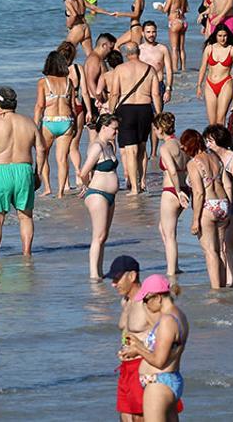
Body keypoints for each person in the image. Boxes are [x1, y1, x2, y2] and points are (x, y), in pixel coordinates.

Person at [0, 87, 44, 257]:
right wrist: (38, 173)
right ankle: (27, 253)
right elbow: (41, 150)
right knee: (25, 216)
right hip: (24, 170)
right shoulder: (29, 123)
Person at [118, 274, 188, 422]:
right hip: (169, 380)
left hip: (158, 385)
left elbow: (159, 361)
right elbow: (166, 351)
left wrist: (138, 349)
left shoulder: (167, 321)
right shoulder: (179, 315)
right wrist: (140, 344)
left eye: (146, 300)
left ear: (158, 298)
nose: (145, 305)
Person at [111, 44, 162, 194]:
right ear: (139, 52)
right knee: (142, 147)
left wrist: (111, 110)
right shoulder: (150, 69)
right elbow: (156, 95)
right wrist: (158, 114)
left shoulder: (120, 69)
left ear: (126, 54)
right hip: (145, 109)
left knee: (131, 150)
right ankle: (143, 181)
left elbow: (115, 93)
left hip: (126, 110)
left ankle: (134, 188)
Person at [183, 128, 227, 288]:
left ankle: (216, 291)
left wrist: (195, 220)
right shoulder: (214, 157)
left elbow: (199, 193)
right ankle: (223, 286)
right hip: (223, 203)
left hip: (208, 206)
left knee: (210, 251)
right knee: (221, 250)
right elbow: (225, 181)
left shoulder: (194, 163)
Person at [80, 114, 121, 280]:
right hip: (98, 194)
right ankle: (93, 274)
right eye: (114, 129)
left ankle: (100, 270)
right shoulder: (96, 146)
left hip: (109, 195)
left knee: (104, 235)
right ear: (104, 127)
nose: (116, 132)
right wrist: (86, 185)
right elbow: (83, 172)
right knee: (98, 235)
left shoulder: (109, 146)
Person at [204, 125, 233, 287]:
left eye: (210, 141)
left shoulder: (232, 158)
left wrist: (221, 184)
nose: (207, 145)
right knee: (221, 245)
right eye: (206, 141)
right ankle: (227, 279)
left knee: (230, 244)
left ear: (219, 141)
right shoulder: (210, 158)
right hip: (222, 203)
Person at [35, 50, 79, 197]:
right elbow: (73, 106)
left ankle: (47, 188)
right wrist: (75, 125)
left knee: (44, 155)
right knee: (62, 159)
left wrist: (36, 125)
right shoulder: (69, 82)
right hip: (66, 121)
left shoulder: (43, 82)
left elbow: (40, 105)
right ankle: (60, 192)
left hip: (49, 122)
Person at [154, 113, 189, 275]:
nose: (154, 132)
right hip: (185, 187)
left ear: (160, 129)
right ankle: (173, 265)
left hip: (172, 191)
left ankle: (172, 271)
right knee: (163, 228)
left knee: (169, 235)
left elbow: (172, 171)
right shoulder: (182, 144)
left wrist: (178, 191)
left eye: (155, 129)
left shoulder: (165, 147)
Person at [196, 24, 233, 126]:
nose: (222, 38)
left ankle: (221, 142)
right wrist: (199, 85)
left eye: (225, 36)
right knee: (212, 121)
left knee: (220, 119)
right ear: (215, 36)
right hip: (210, 84)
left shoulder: (232, 50)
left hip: (226, 83)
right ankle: (213, 141)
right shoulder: (209, 49)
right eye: (220, 36)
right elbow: (203, 67)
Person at [162, 0, 188, 73]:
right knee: (181, 47)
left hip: (174, 22)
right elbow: (185, 9)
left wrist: (160, 7)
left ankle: (175, 68)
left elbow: (165, 10)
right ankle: (184, 67)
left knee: (174, 48)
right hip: (183, 21)